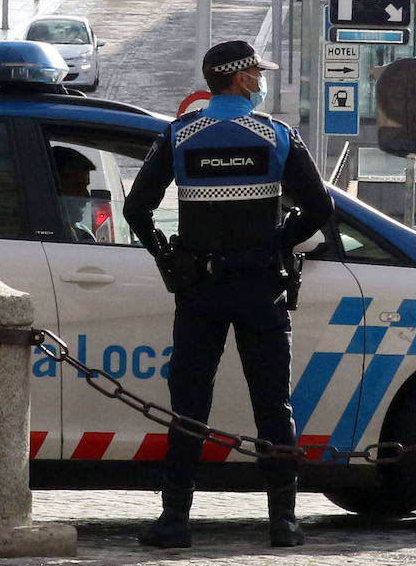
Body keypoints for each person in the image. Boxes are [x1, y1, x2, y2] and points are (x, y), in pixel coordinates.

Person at [122, 40, 333, 549]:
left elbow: (136, 210)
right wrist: (277, 244)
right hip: (261, 288)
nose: (261, 81)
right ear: (240, 79)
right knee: (272, 405)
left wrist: (167, 258)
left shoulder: (178, 136)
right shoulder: (279, 136)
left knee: (189, 404)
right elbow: (320, 208)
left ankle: (174, 521)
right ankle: (283, 521)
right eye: (257, 74)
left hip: (199, 290)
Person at [52, 145, 97, 242]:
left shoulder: (83, 235)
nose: (87, 197)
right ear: (55, 188)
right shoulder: (49, 237)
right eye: (78, 187)